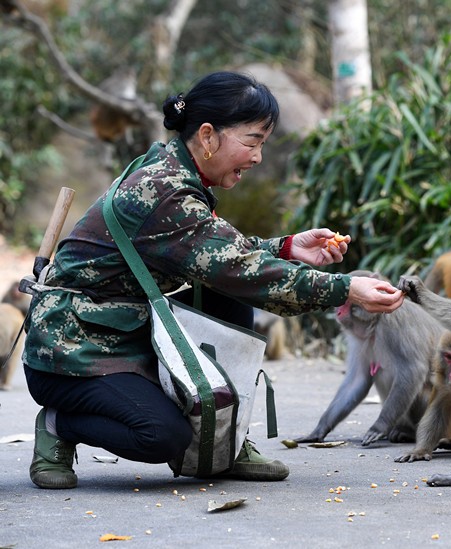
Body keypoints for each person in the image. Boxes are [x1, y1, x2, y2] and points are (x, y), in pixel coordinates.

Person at [23, 71, 405, 490]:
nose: (258, 156)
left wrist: (287, 247)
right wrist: (346, 288)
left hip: (127, 330)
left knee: (227, 293)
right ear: (208, 136)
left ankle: (225, 442)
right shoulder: (165, 191)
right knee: (163, 436)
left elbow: (222, 256)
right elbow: (238, 268)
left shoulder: (173, 169)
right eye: (253, 141)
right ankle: (61, 424)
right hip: (74, 350)